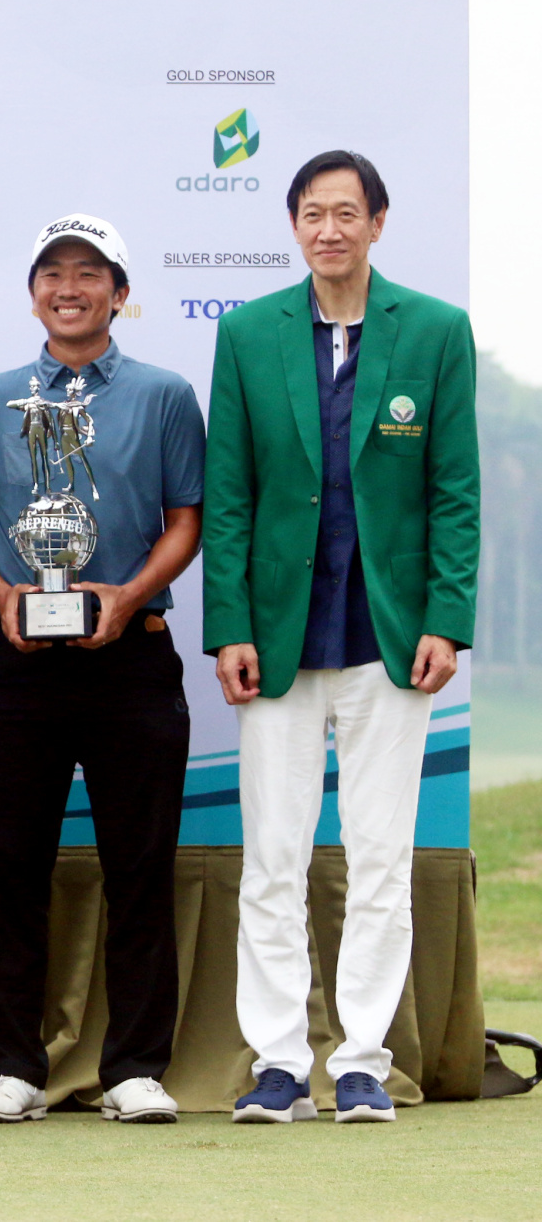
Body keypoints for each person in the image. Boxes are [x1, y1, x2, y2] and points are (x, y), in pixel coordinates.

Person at [205, 152, 479, 1124]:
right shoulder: (247, 333)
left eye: (345, 213)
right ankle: (278, 1064)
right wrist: (229, 626)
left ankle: (361, 1060)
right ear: (293, 226)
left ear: (377, 223)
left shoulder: (434, 330)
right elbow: (228, 494)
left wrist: (447, 619)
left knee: (379, 857)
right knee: (272, 860)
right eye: (311, 214)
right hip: (277, 638)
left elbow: (454, 490)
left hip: (389, 636)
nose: (328, 229)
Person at [0, 215, 205, 1125]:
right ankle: (13, 1066)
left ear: (120, 294)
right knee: (9, 868)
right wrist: (2, 598)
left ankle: (135, 1067)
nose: (69, 287)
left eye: (90, 273)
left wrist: (128, 596)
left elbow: (186, 519)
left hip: (132, 658)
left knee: (141, 867)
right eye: (52, 273)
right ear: (32, 295)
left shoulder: (165, 395)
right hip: (17, 664)